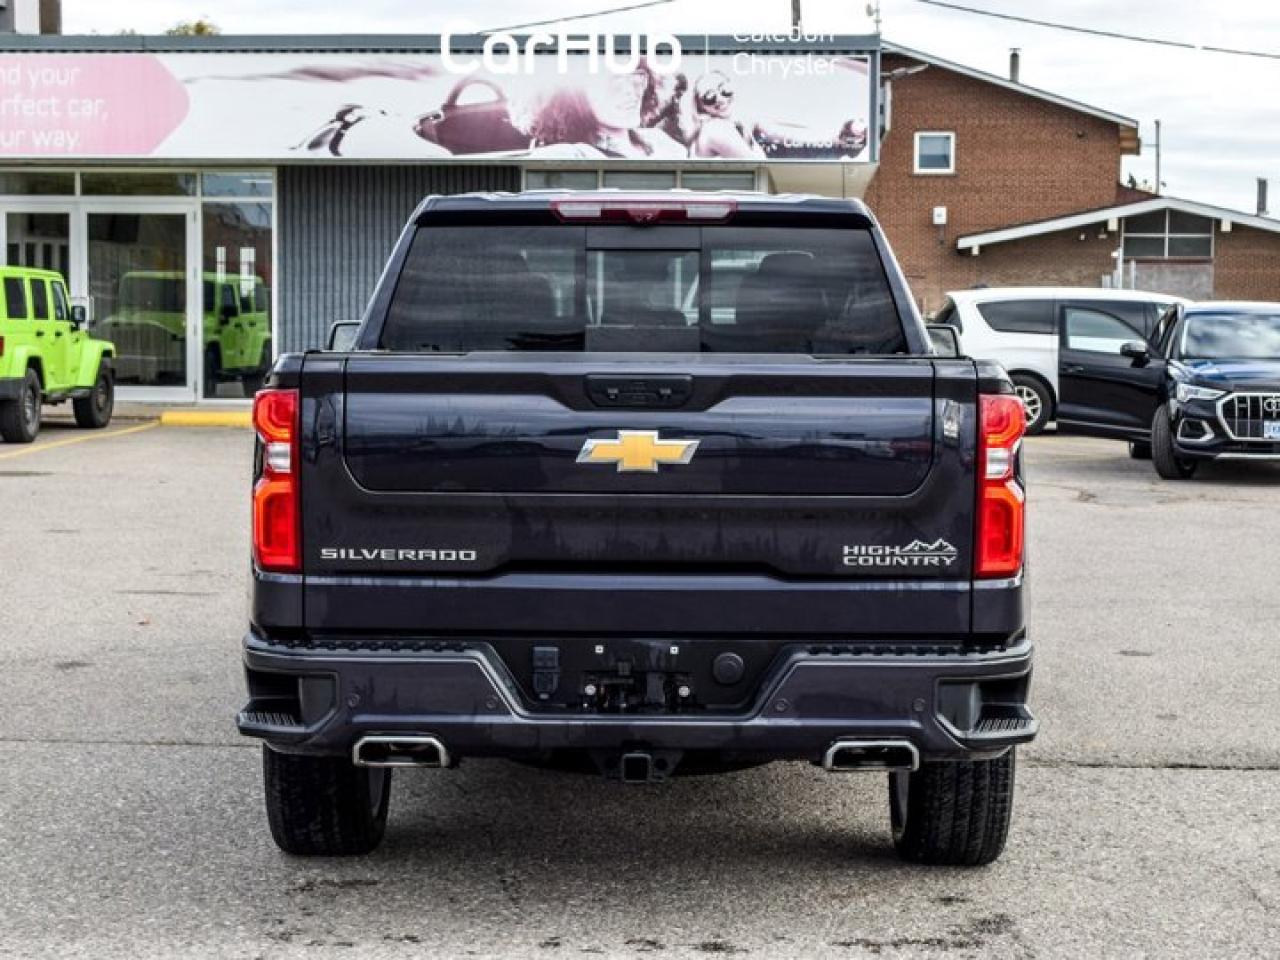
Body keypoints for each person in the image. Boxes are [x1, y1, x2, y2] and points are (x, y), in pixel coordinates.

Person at [524, 62, 685, 159]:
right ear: (574, 96)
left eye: (637, 78)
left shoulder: (659, 140)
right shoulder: (570, 155)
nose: (630, 91)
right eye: (613, 83)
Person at [687, 71, 764, 159]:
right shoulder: (714, 128)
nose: (720, 99)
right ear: (700, 105)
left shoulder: (735, 122)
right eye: (709, 96)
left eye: (725, 89)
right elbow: (756, 164)